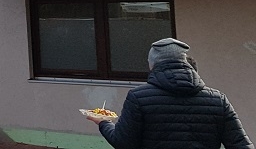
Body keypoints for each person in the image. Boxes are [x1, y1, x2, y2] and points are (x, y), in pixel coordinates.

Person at [86, 38, 253, 149]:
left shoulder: (138, 97)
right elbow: (241, 145)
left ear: (152, 64)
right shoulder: (218, 100)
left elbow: (123, 143)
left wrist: (103, 122)